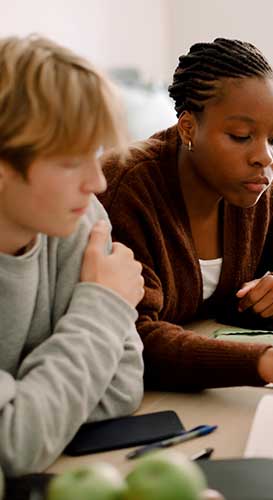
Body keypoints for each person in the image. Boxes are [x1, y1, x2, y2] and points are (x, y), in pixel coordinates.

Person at [99, 38, 273, 392]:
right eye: (241, 135)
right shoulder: (128, 190)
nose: (264, 157)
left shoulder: (254, 181)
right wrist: (265, 362)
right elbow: (132, 340)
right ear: (188, 128)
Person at [0, 35, 145, 476]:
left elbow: (121, 388)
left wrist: (34, 403)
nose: (97, 182)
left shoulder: (78, 220)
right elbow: (14, 444)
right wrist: (104, 306)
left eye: (96, 154)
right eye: (69, 162)